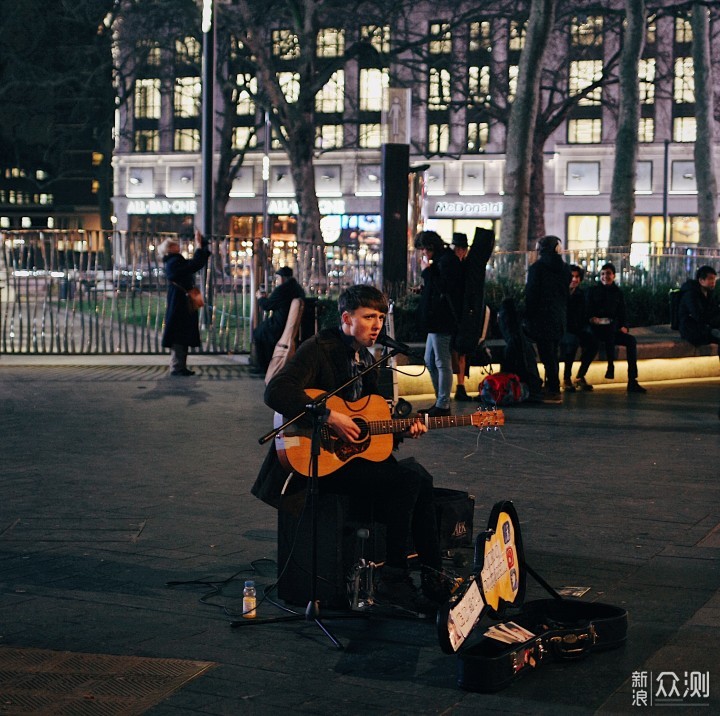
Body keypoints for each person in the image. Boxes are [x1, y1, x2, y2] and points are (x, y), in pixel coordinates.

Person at [252, 284, 447, 616]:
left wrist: (404, 430)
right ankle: (394, 580)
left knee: (418, 477)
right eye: (369, 317)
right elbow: (276, 391)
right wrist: (329, 415)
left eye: (381, 318)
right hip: (316, 461)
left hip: (347, 461)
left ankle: (433, 578)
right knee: (406, 481)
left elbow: (368, 426)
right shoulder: (320, 349)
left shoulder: (367, 358)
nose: (377, 325)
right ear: (346, 318)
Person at [415, 230, 464, 416]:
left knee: (441, 362)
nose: (423, 254)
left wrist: (426, 271)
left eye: (424, 250)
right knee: (430, 360)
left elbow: (444, 286)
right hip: (436, 319)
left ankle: (443, 404)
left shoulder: (447, 261)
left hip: (441, 319)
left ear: (430, 247)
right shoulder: (444, 260)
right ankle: (440, 401)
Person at [586, 262, 646, 393]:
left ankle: (632, 380)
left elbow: (622, 312)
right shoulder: (593, 291)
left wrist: (624, 326)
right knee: (607, 335)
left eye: (608, 274)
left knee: (631, 341)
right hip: (597, 330)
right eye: (602, 274)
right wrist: (592, 318)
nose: (605, 276)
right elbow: (587, 310)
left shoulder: (617, 293)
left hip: (612, 329)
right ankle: (609, 366)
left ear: (613, 276)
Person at [524, 235, 571, 404]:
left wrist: (527, 315)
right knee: (553, 354)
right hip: (559, 317)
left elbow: (532, 294)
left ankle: (553, 389)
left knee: (547, 355)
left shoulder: (537, 268)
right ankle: (552, 385)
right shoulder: (565, 268)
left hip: (542, 318)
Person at [158, 230, 210, 376]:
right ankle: (177, 367)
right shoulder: (174, 261)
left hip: (180, 301)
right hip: (180, 302)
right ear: (169, 249)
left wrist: (201, 247)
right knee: (179, 333)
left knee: (181, 333)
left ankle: (180, 366)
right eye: (174, 245)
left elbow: (194, 264)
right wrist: (200, 247)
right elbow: (194, 265)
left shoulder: (174, 260)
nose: (178, 246)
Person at [253, 266, 306, 373]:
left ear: (283, 278)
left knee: (258, 333)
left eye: (278, 278)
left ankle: (263, 366)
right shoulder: (297, 288)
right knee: (262, 331)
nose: (277, 281)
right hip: (291, 323)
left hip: (279, 324)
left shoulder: (282, 289)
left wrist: (260, 298)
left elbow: (267, 306)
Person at [561, 264, 598, 392]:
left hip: (577, 329)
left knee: (594, 343)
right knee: (572, 342)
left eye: (577, 277)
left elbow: (584, 314)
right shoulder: (560, 294)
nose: (574, 279)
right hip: (562, 330)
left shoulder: (581, 295)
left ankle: (580, 376)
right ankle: (566, 378)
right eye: (572, 276)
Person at [678, 265, 720, 354]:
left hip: (704, 328)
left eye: (714, 279)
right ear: (701, 280)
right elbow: (698, 316)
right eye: (710, 279)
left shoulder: (709, 294)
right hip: (691, 330)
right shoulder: (690, 294)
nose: (713, 282)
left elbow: (714, 312)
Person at [450, 232, 472, 401]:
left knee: (459, 352)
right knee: (458, 352)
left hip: (458, 314)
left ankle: (459, 385)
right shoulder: (463, 266)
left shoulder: (460, 266)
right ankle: (459, 385)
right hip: (459, 314)